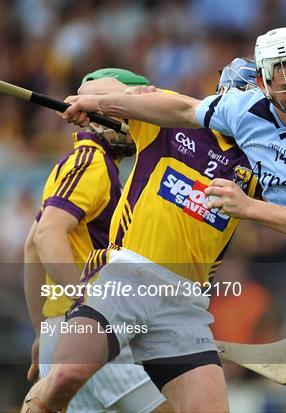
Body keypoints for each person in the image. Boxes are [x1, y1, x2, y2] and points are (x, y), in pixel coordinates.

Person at [62, 27, 286, 413]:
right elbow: (179, 108)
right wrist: (98, 101)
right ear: (263, 84)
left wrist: (247, 207)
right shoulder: (243, 114)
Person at [23, 59, 260, 413]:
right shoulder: (169, 116)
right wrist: (109, 99)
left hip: (185, 301)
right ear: (222, 97)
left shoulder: (261, 164)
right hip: (129, 276)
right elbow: (90, 89)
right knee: (64, 378)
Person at [23, 69, 169, 413]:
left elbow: (33, 244)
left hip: (67, 330)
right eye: (132, 118)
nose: (139, 128)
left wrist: (45, 329)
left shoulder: (93, 166)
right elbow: (47, 235)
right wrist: (86, 305)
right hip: (90, 332)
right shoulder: (92, 162)